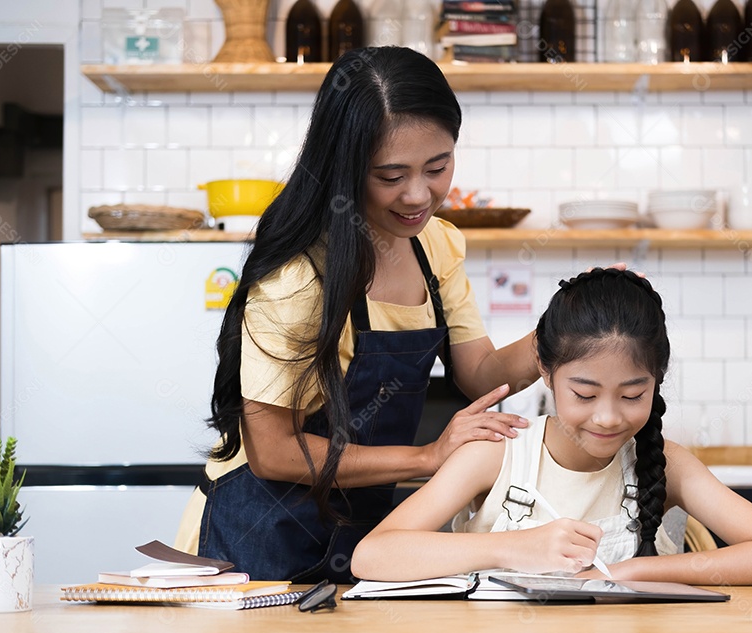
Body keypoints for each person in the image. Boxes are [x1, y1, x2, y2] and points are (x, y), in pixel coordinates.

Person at [173, 46, 542, 584]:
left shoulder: (436, 246)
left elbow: (480, 374)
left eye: (438, 167)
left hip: (360, 534)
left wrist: (559, 335)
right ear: (344, 168)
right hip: (255, 530)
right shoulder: (300, 277)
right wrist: (425, 457)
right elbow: (273, 451)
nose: (418, 195)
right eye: (390, 176)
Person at [352, 269, 752, 585]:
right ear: (545, 371)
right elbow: (373, 555)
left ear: (657, 381)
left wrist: (633, 571)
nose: (608, 417)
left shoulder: (669, 463)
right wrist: (513, 548)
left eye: (632, 396)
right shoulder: (498, 451)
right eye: (585, 395)